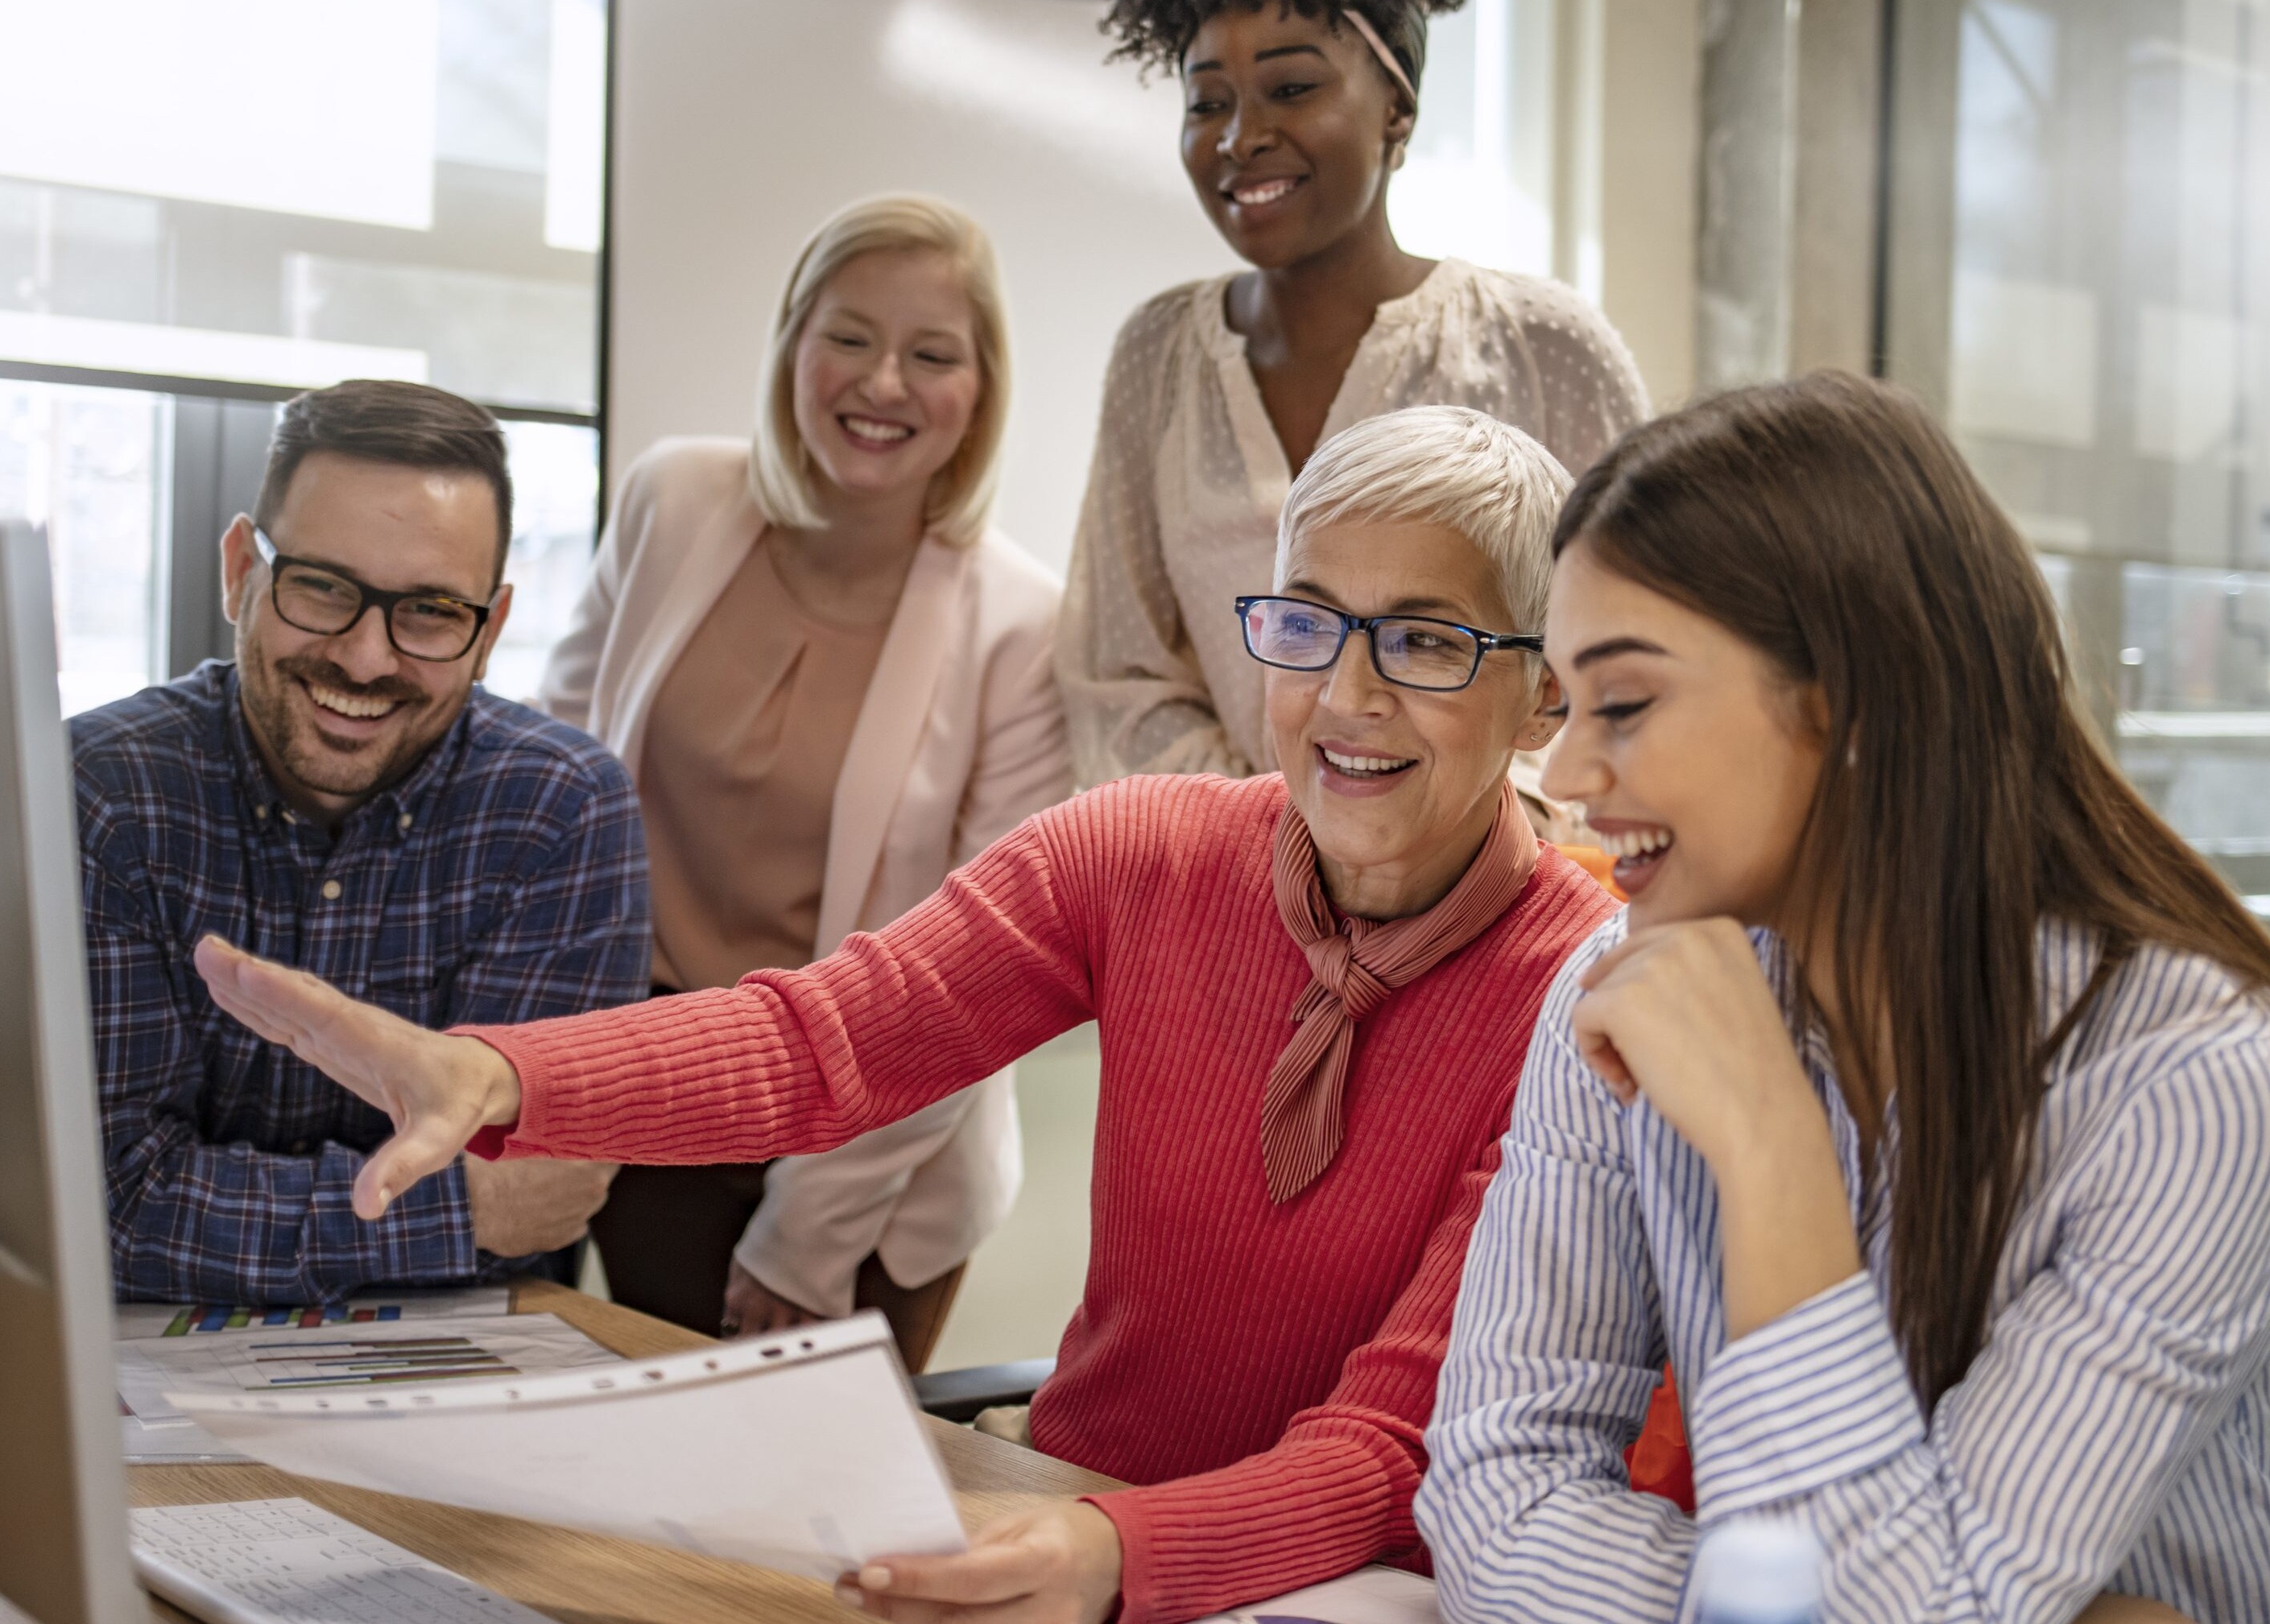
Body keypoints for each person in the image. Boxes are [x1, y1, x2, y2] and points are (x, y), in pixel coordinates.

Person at [188, 407, 1618, 1624]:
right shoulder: (1140, 850)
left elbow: (1386, 1448)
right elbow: (823, 1041)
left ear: (1542, 688)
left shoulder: (1581, 995)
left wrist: (1121, 1554)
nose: (1343, 694)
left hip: (1333, 1585)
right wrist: (494, 1076)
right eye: (1307, 623)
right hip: (1055, 1517)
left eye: (1423, 640)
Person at [1413, 373, 2270, 1622]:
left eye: (1628, 704)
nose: (1573, 771)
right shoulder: (1628, 993)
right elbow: (1494, 1495)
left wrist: (1769, 1151)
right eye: (1572, 706)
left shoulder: (2204, 1081)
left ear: (1856, 701)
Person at [540, 196, 1065, 1363]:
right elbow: (550, 787)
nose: (883, 382)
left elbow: (979, 971)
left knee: (820, 1524)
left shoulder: (1024, 624)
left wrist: (809, 1232)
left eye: (932, 355)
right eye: (849, 336)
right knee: (652, 1504)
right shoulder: (672, 499)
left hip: (881, 1152)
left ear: (980, 391)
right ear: (791, 341)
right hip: (656, 1102)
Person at [1059, 0, 1653, 787]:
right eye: (1207, 102)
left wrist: (1443, 844)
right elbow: (1119, 674)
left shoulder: (1544, 348)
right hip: (1230, 889)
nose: (1240, 136)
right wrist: (1287, 836)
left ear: (1399, 109)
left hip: (1497, 897)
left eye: (1291, 86)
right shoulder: (1160, 354)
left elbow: (1621, 656)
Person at [75, 378, 648, 1307]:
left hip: (450, 1385)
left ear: (490, 630)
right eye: (322, 587)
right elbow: (104, 1203)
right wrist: (457, 1211)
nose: (365, 657)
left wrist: (222, 1206)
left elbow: (543, 1202)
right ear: (239, 572)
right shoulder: (103, 795)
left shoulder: (562, 810)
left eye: (427, 610)